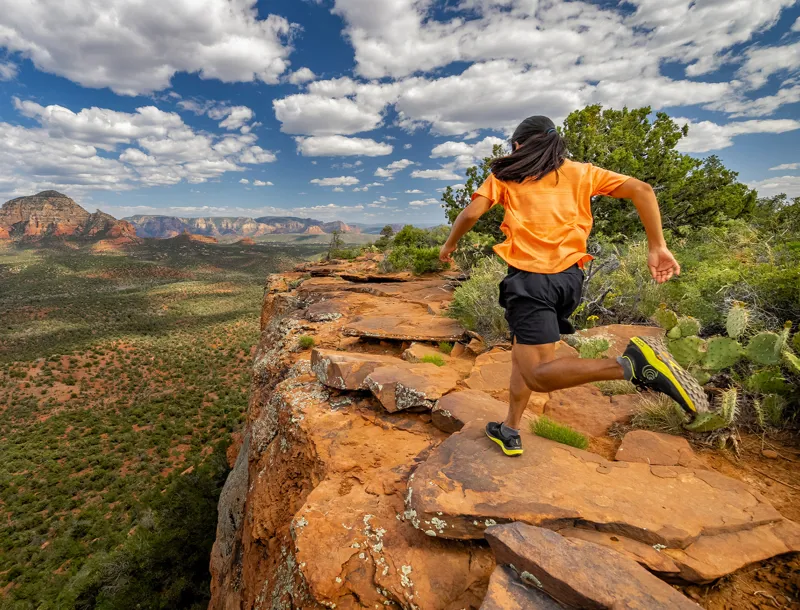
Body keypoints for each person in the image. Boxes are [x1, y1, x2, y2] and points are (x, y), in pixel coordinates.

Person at [439, 115, 709, 457]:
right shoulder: (583, 172)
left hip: (529, 280)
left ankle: (631, 365)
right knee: (525, 358)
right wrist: (657, 246)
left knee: (538, 374)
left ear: (519, 145)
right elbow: (642, 189)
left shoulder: (506, 175)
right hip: (569, 280)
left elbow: (471, 214)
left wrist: (449, 246)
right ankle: (510, 428)